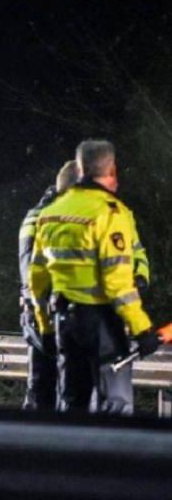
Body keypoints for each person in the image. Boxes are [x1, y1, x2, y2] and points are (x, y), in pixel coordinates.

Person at [29, 140, 159, 414]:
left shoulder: (52, 213)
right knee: (113, 404)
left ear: (80, 168)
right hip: (103, 326)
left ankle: (72, 455)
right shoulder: (110, 213)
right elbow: (118, 284)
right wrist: (141, 329)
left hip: (64, 320)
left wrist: (46, 328)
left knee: (72, 401)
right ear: (111, 170)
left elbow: (37, 280)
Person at [18, 160, 79, 410]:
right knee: (61, 394)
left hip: (39, 317)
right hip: (53, 317)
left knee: (41, 390)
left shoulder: (35, 215)